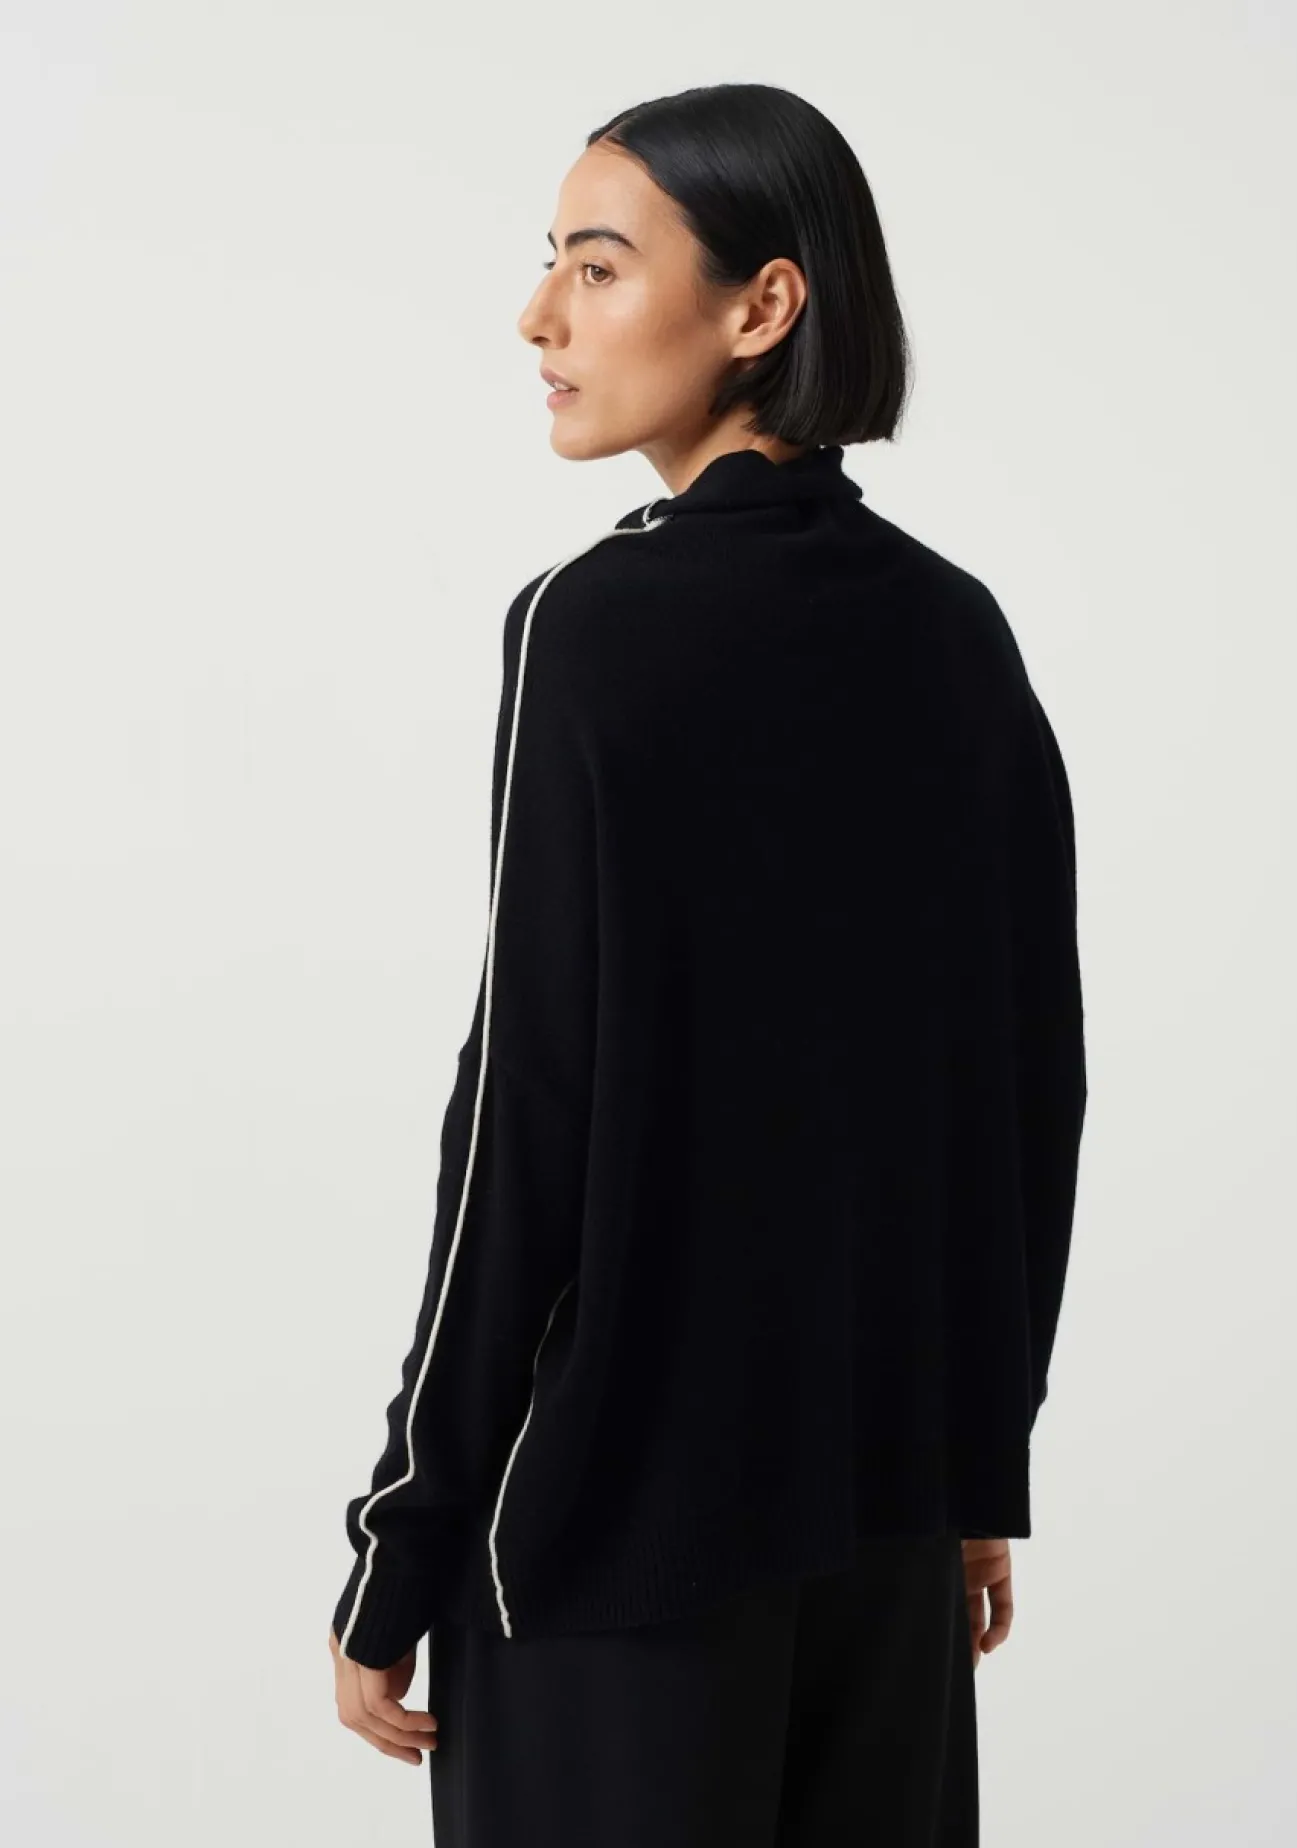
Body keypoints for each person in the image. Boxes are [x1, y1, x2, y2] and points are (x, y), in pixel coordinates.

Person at [327, 81, 1087, 1848]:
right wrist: (972, 1460)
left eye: (597, 268)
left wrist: (403, 1538)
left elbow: (527, 1114)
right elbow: (1020, 1085)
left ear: (763, 307)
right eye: (551, 264)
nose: (539, 317)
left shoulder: (595, 626)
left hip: (613, 1554)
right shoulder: (952, 629)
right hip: (886, 1530)